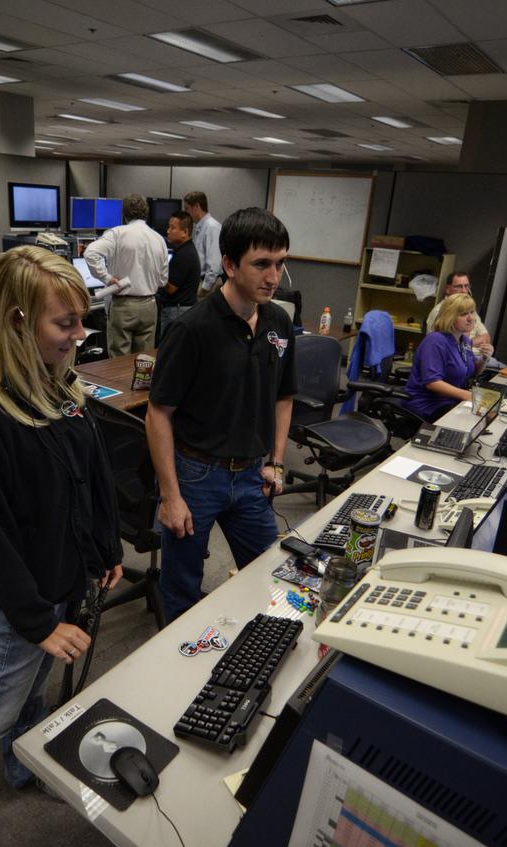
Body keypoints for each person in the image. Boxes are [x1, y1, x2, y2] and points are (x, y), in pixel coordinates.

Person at [0, 246, 123, 846]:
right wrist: (38, 621)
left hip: (63, 579)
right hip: (21, 602)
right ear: (16, 321)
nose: (79, 335)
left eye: (79, 321)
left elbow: (88, 479)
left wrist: (105, 548)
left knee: (33, 695)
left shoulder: (56, 387)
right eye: (65, 324)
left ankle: (23, 767)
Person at [146, 208, 296, 623]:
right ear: (229, 264)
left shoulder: (279, 322)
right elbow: (158, 413)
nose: (273, 276)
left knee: (271, 572)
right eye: (262, 264)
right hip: (196, 476)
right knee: (180, 590)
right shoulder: (192, 329)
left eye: (280, 263)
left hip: (252, 476)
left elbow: (284, 397)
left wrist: (277, 461)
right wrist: (171, 497)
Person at [84, 194, 168, 356]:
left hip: (124, 306)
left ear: (124, 213)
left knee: (119, 362)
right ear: (146, 213)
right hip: (149, 306)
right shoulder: (159, 239)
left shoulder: (117, 233)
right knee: (144, 362)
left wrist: (107, 279)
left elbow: (90, 253)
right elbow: (163, 280)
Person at [402, 293, 486, 421]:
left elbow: (472, 372)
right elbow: (433, 383)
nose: (470, 318)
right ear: (450, 317)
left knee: (485, 416)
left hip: (452, 400)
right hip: (429, 404)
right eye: (463, 314)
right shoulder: (435, 341)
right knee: (474, 420)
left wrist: (484, 359)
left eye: (472, 312)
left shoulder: (464, 341)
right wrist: (468, 396)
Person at [426, 272, 493, 359]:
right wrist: (470, 343)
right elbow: (451, 348)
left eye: (466, 286)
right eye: (459, 286)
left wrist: (467, 343)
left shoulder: (469, 308)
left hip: (477, 357)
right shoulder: (441, 311)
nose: (464, 291)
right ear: (447, 289)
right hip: (458, 359)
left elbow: (486, 338)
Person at [158, 209, 201, 337]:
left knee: (168, 348)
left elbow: (171, 288)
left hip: (176, 311)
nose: (168, 231)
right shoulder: (186, 250)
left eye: (172, 228)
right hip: (182, 309)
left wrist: (157, 274)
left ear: (185, 232)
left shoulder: (184, 255)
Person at [184, 191, 222, 296]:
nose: (186, 213)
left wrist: (205, 289)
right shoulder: (200, 226)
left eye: (187, 208)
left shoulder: (212, 227)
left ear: (196, 206)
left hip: (206, 284)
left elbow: (214, 264)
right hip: (199, 281)